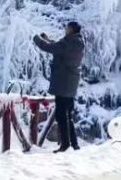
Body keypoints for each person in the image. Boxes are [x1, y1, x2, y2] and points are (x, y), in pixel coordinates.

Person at [33, 21, 85, 153]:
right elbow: (59, 47)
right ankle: (74, 144)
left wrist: (36, 39)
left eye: (67, 28)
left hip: (63, 82)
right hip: (70, 84)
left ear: (72, 30)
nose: (65, 29)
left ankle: (65, 145)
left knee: (61, 115)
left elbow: (51, 48)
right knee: (68, 115)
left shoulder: (68, 43)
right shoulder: (76, 42)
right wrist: (48, 39)